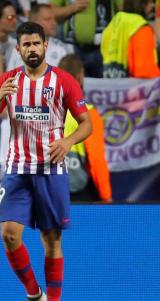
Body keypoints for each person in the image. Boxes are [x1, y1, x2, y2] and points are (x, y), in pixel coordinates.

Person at [0, 22, 92, 301]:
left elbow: (86, 124)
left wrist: (68, 141)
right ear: (17, 49)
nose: (31, 49)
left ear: (45, 46)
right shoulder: (8, 80)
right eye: (25, 44)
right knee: (8, 234)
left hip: (51, 170)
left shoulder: (63, 81)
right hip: (16, 169)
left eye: (36, 44)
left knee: (51, 239)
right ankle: (33, 293)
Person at [58, 54, 112, 202]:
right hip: (77, 192)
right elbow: (96, 161)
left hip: (47, 191)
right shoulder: (89, 114)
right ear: (80, 76)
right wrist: (106, 197)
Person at [50, 0, 123, 78]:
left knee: (105, 87)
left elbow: (124, 11)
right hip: (71, 49)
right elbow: (52, 13)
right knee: (72, 87)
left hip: (105, 50)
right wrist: (72, 8)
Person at [101, 0, 160, 78]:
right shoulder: (140, 27)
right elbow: (145, 71)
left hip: (111, 82)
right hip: (134, 86)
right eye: (150, 2)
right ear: (144, 4)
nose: (153, 5)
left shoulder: (113, 23)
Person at [6, 4, 74, 70]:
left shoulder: (62, 49)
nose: (54, 23)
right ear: (34, 23)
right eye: (48, 19)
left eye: (54, 19)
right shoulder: (18, 51)